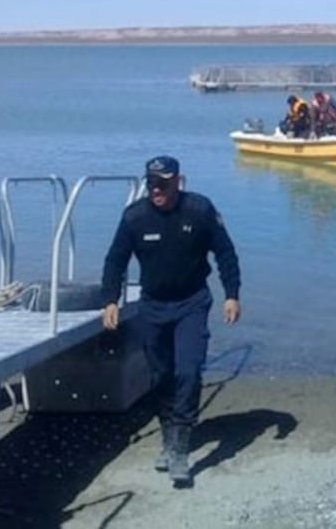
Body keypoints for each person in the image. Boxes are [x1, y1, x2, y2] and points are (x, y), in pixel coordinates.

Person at [100, 155, 241, 487]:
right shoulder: (135, 216)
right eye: (151, 184)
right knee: (161, 374)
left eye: (163, 184)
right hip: (152, 306)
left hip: (192, 302)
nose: (156, 190)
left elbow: (225, 253)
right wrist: (110, 300)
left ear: (179, 181)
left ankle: (179, 447)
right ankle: (168, 434)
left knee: (188, 371)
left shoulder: (200, 210)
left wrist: (232, 294)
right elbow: (115, 260)